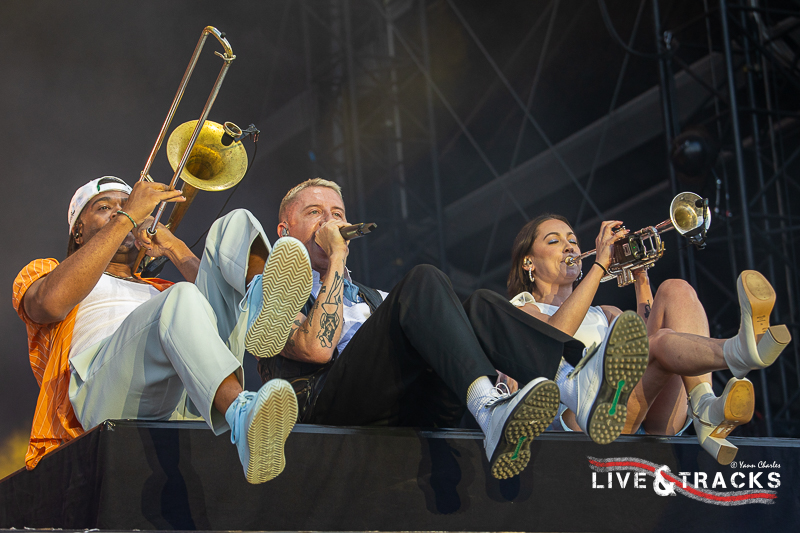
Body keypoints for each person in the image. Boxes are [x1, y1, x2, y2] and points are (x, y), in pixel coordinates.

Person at [257, 178, 628, 480]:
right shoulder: (268, 288)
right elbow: (317, 349)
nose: (330, 222)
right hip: (327, 411)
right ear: (285, 230)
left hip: (405, 406)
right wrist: (337, 254)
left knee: (481, 304)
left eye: (337, 213)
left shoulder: (378, 298)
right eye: (315, 212)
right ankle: (491, 410)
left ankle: (571, 387)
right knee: (423, 278)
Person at [13, 176, 313, 484]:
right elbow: (49, 305)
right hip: (100, 395)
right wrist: (128, 215)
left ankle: (261, 303)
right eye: (104, 208)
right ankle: (241, 414)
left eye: (126, 205)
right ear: (78, 230)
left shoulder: (161, 290)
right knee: (181, 297)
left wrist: (173, 246)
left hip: (185, 391)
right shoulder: (48, 272)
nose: (119, 211)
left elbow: (220, 300)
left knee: (237, 222)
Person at [505, 214, 792, 464]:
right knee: (661, 342)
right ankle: (738, 352)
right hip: (584, 424)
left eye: (573, 240)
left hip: (641, 418)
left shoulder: (605, 313)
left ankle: (704, 403)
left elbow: (648, 351)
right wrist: (600, 265)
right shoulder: (522, 310)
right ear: (528, 261)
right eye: (554, 241)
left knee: (676, 290)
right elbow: (556, 335)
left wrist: (640, 276)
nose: (570, 247)